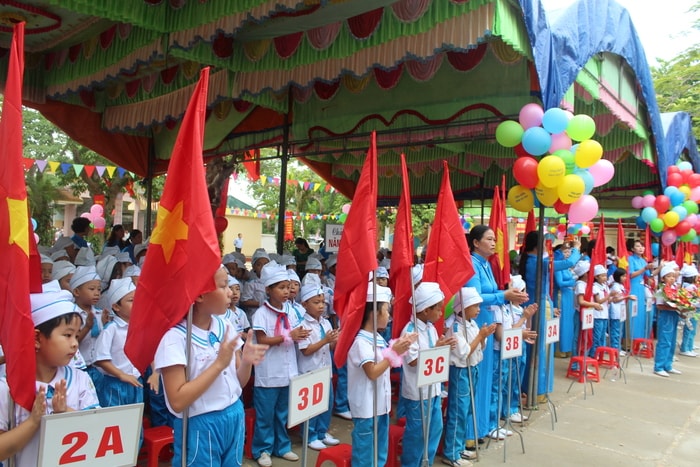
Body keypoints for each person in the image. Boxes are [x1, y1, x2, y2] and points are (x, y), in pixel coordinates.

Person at [154, 266, 267, 465]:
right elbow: (178, 401)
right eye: (223, 286)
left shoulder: (225, 326)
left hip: (233, 413)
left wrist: (247, 362)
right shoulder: (175, 338)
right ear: (199, 296)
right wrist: (219, 364)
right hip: (200, 423)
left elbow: (239, 382)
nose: (231, 292)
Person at [0, 290, 100, 467]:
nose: (75, 343)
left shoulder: (80, 379)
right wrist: (33, 421)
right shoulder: (7, 388)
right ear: (37, 338)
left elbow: (97, 431)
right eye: (67, 335)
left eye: (76, 336)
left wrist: (65, 413)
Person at [465, 225, 528, 446]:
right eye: (489, 239)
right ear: (475, 242)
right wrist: (503, 295)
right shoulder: (471, 263)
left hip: (489, 322)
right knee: (480, 376)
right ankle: (473, 430)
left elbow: (492, 293)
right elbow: (475, 296)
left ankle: (486, 423)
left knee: (490, 375)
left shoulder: (487, 265)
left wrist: (509, 296)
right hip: (478, 322)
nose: (494, 243)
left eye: (494, 239)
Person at [348, 283, 415, 467]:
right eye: (386, 310)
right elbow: (372, 372)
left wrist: (401, 346)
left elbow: (386, 359)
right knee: (365, 455)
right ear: (374, 313)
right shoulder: (361, 343)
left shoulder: (378, 338)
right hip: (366, 409)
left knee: (379, 454)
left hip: (380, 407)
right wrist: (394, 352)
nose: (389, 316)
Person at [252, 262, 310, 467]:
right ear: (268, 290)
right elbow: (262, 340)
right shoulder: (261, 314)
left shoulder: (292, 311)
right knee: (265, 415)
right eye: (281, 288)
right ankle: (262, 449)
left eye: (288, 287)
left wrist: (302, 335)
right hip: (268, 374)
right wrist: (288, 335)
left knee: (282, 413)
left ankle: (282, 446)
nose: (287, 292)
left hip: (288, 371)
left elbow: (297, 332)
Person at [400, 282, 457, 467]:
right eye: (438, 309)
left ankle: (427, 462)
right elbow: (413, 360)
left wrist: (442, 346)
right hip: (418, 393)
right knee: (417, 433)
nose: (441, 313)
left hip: (433, 389)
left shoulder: (431, 328)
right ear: (425, 310)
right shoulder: (410, 331)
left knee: (435, 429)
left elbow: (434, 354)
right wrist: (436, 349)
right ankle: (411, 464)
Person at [519, 231, 580, 402]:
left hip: (535, 305)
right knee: (540, 349)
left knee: (534, 348)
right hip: (539, 306)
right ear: (539, 245)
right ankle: (537, 389)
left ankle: (529, 387)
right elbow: (570, 262)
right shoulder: (540, 262)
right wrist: (575, 248)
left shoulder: (532, 261)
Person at [442, 287, 496, 466]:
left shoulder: (472, 324)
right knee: (458, 411)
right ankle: (451, 452)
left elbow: (480, 347)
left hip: (473, 369)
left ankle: (459, 447)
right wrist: (480, 335)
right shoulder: (455, 327)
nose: (479, 309)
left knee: (467, 410)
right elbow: (464, 352)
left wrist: (483, 336)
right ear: (463, 308)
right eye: (475, 306)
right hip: (461, 372)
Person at [296, 283, 340, 451]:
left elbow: (329, 348)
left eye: (323, 302)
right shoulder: (303, 325)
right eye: (316, 302)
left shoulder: (326, 323)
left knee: (325, 404)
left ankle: (322, 432)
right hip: (310, 372)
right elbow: (306, 350)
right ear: (305, 304)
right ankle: (310, 435)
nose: (321, 306)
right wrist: (325, 341)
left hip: (324, 370)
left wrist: (335, 340)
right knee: (311, 407)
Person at [93, 278, 142, 408]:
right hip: (115, 383)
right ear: (116, 306)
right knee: (117, 421)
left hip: (136, 381)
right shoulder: (111, 329)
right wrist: (121, 375)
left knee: (135, 421)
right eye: (131, 301)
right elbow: (100, 359)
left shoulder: (138, 328)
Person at [70, 266, 106, 391]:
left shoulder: (100, 314)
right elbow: (72, 343)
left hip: (99, 369)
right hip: (80, 368)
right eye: (91, 289)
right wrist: (87, 327)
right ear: (76, 292)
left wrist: (106, 326)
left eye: (99, 290)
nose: (96, 293)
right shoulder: (72, 315)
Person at [654, 263, 684, 377]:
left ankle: (668, 364)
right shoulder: (661, 290)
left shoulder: (676, 289)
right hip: (665, 316)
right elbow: (659, 306)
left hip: (674, 315)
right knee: (664, 341)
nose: (672, 278)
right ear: (663, 278)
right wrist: (673, 306)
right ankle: (659, 366)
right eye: (668, 276)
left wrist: (682, 308)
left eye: (673, 276)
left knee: (672, 341)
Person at [627, 239, 652, 340]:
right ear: (632, 249)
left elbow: (649, 275)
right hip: (633, 287)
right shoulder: (630, 259)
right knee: (633, 312)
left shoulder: (643, 260)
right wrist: (644, 269)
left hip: (641, 288)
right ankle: (630, 339)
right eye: (637, 246)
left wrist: (659, 267)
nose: (641, 248)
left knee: (640, 314)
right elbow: (631, 275)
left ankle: (639, 338)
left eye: (642, 246)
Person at [553, 243, 576, 357]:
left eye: (569, 252)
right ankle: (559, 348)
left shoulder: (567, 268)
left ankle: (567, 347)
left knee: (569, 322)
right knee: (562, 321)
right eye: (565, 252)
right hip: (561, 295)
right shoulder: (558, 266)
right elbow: (560, 283)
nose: (567, 254)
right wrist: (572, 282)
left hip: (569, 295)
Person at [610, 269, 635, 355]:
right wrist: (627, 297)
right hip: (616, 312)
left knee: (619, 331)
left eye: (625, 276)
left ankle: (618, 348)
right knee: (615, 332)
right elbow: (615, 299)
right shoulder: (615, 286)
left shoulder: (621, 286)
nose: (625, 278)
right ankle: (615, 349)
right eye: (623, 276)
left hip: (621, 311)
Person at [590, 265, 612, 357]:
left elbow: (607, 300)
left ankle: (600, 353)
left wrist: (612, 298)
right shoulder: (594, 286)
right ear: (596, 277)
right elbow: (598, 301)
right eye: (602, 276)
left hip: (604, 314)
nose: (604, 278)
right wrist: (609, 295)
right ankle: (593, 354)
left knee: (603, 335)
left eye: (605, 276)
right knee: (597, 336)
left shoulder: (605, 286)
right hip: (597, 315)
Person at [679, 264, 699, 357]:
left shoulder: (692, 286)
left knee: (692, 329)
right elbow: (689, 300)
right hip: (691, 310)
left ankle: (689, 347)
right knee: (689, 328)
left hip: (694, 309)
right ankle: (685, 348)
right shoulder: (690, 287)